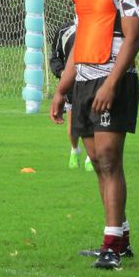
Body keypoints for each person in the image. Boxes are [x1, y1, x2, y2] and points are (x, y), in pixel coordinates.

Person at [50, 0, 139, 270]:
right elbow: (79, 45)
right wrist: (63, 89)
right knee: (98, 165)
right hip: (84, 83)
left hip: (113, 82)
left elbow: (133, 39)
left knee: (108, 159)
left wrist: (110, 84)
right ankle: (119, 238)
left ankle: (111, 245)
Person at [49, 20, 93, 171]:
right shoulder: (64, 32)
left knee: (93, 120)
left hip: (93, 82)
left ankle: (90, 158)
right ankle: (75, 150)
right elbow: (55, 57)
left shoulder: (97, 28)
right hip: (72, 85)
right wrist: (62, 74)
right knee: (73, 124)